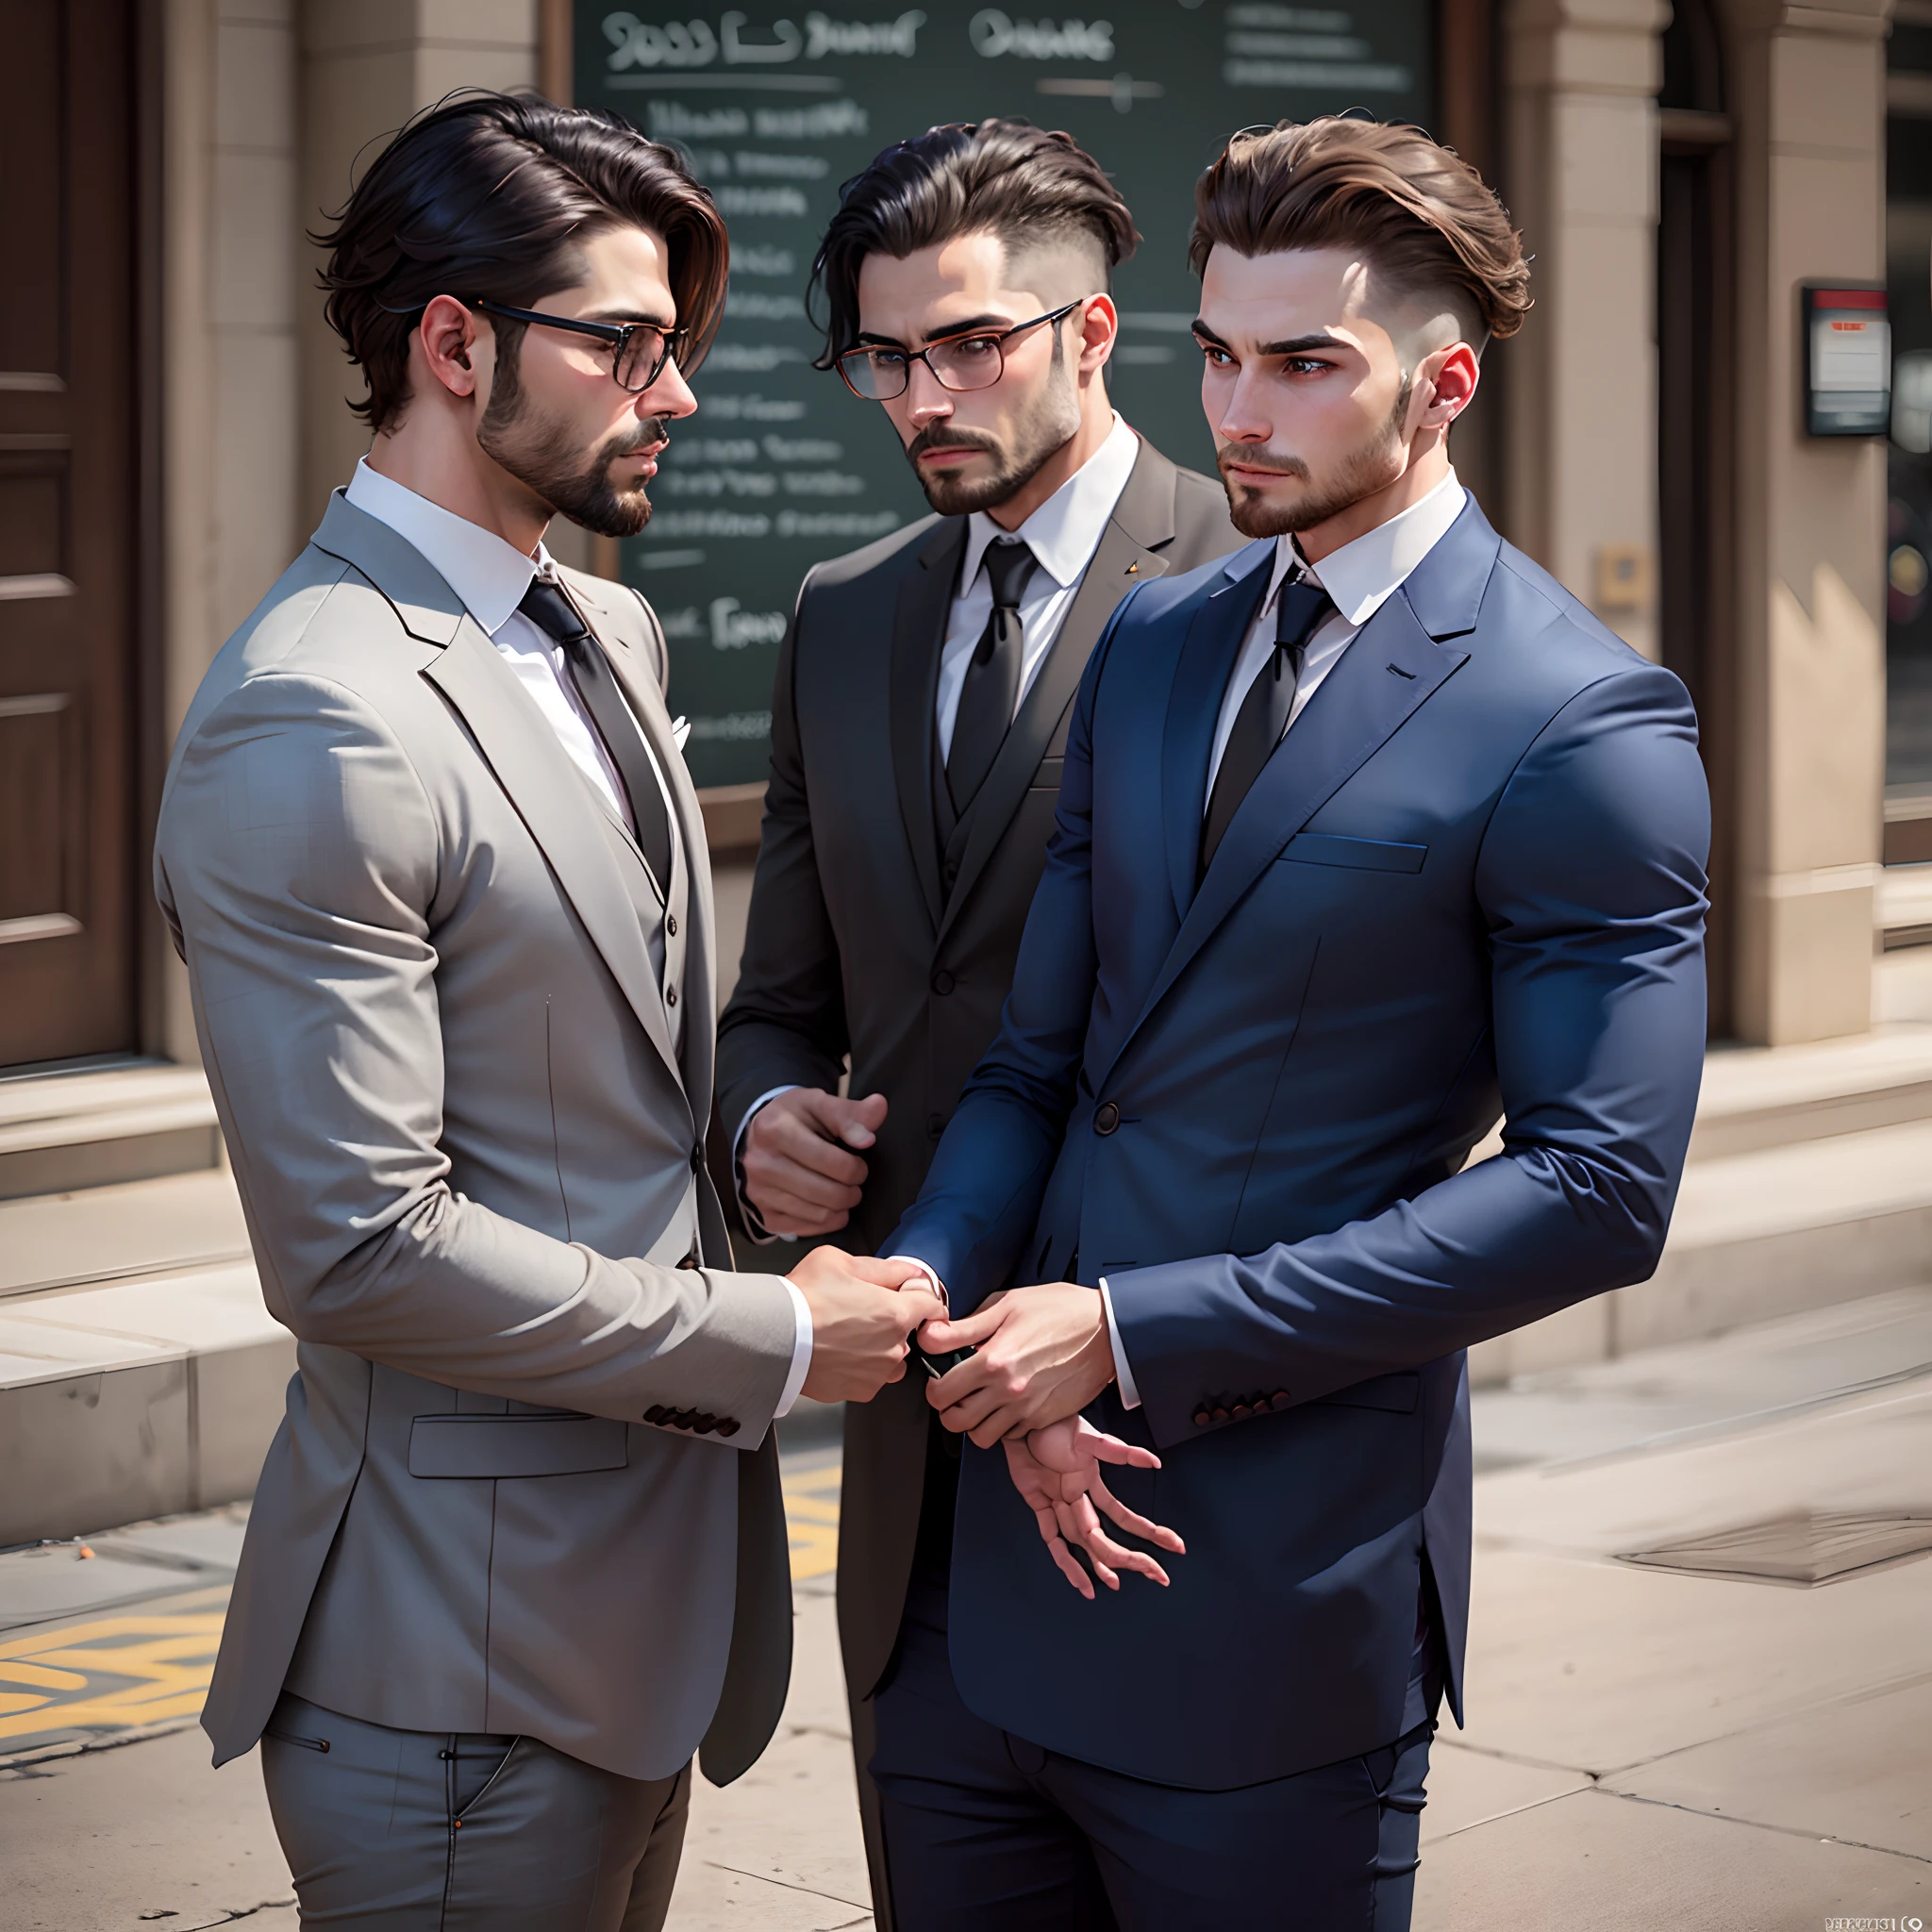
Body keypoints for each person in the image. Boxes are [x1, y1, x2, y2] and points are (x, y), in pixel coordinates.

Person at [883, 116, 1712, 1928]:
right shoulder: (1160, 642)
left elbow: (1596, 1192)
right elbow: (1045, 1065)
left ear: (1445, 385)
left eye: (1306, 366)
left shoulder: (1584, 722)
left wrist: (1128, 1331)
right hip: (977, 1599)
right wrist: (933, 1293)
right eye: (1221, 357)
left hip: (1268, 1599)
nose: (1241, 412)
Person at [154, 93, 939, 1930]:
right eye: (626, 346)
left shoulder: (607, 629)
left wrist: (750, 1142)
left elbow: (606, 1080)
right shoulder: (314, 712)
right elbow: (352, 1250)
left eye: (680, 349)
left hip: (634, 1620)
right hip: (443, 1660)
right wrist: (763, 1332)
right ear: (453, 344)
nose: (673, 397)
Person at [711, 118, 1241, 1921]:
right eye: (884, 355)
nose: (918, 393)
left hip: (1155, 1446)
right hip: (909, 1462)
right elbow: (783, 1003)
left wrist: (1095, 1335)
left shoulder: (1253, 583)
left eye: (969, 345)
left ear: (1095, 334)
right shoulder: (840, 615)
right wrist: (760, 1125)